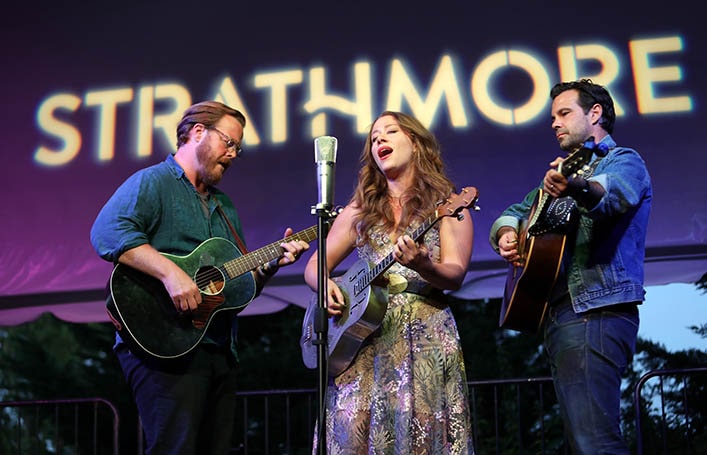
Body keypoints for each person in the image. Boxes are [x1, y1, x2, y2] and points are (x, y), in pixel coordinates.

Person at [90, 100, 310, 455]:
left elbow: (234, 291)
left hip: (216, 350)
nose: (234, 153)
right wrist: (172, 274)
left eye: (238, 147)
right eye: (229, 142)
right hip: (163, 346)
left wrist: (270, 265)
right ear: (198, 133)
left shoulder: (225, 206)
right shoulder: (152, 182)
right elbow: (107, 232)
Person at [490, 79, 652, 454]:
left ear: (595, 113)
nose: (554, 123)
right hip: (561, 317)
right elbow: (513, 212)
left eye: (564, 113)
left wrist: (576, 185)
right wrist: (507, 233)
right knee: (582, 443)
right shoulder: (551, 183)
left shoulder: (624, 160)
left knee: (595, 443)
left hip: (594, 312)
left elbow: (609, 196)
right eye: (552, 117)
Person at [304, 111, 475, 454]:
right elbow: (314, 265)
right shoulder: (359, 208)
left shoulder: (447, 204)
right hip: (360, 340)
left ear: (415, 142)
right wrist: (325, 287)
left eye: (390, 132)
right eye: (374, 137)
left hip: (423, 335)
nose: (379, 139)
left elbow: (455, 273)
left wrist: (424, 265)